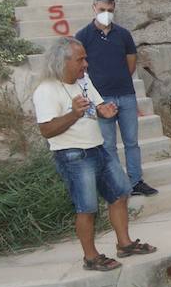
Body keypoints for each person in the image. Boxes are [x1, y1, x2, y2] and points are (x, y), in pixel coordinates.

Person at [33, 36, 157, 271]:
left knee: (120, 193)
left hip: (98, 147)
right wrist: (73, 114)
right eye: (81, 59)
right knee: (86, 208)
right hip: (73, 156)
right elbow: (46, 130)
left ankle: (125, 244)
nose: (86, 64)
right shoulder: (46, 90)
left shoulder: (83, 81)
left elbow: (97, 107)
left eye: (85, 58)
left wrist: (105, 111)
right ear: (63, 62)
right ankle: (91, 258)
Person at [75, 0, 158, 197]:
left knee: (132, 142)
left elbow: (131, 61)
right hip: (102, 99)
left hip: (126, 95)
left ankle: (136, 181)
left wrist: (120, 80)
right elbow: (79, 67)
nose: (106, 13)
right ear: (94, 8)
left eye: (110, 10)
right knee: (109, 144)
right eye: (102, 10)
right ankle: (117, 183)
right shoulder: (83, 36)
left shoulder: (123, 34)